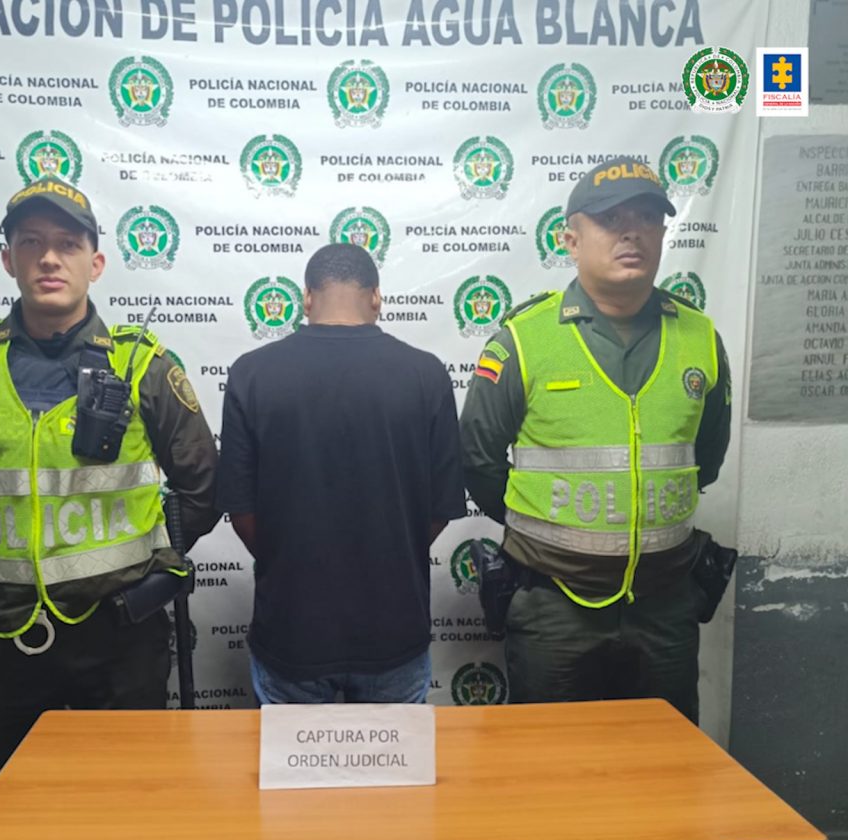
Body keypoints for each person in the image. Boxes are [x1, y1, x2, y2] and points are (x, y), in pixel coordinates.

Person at [0, 176, 219, 804]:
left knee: (127, 802)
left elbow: (201, 486)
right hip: (0, 639)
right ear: (7, 259)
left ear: (96, 263)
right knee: (5, 809)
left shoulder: (143, 364)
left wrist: (149, 569)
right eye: (30, 242)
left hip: (117, 637)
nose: (48, 258)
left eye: (67, 244)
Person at [459, 157, 731, 724]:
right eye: (611, 219)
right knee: (553, 775)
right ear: (572, 240)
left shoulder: (701, 337)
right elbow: (479, 462)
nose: (632, 232)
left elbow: (705, 460)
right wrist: (552, 535)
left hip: (665, 604)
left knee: (665, 769)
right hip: (555, 608)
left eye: (648, 217)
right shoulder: (522, 341)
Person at [216, 243, 467, 704]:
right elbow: (440, 511)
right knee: (391, 778)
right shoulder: (426, 375)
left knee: (296, 777)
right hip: (394, 631)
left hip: (291, 631)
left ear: (306, 298)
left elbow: (241, 510)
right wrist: (389, 553)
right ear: (377, 297)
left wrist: (290, 560)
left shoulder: (251, 374)